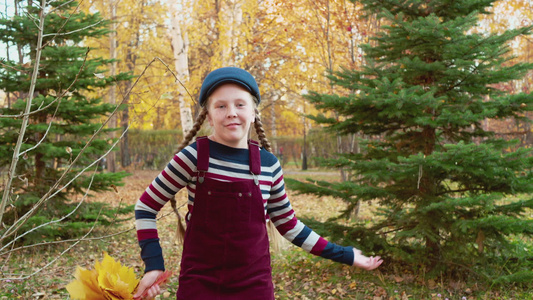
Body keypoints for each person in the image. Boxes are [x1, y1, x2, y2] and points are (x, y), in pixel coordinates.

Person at [133, 67, 383, 300]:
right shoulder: (193, 157)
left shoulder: (268, 165)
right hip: (200, 285)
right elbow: (145, 207)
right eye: (221, 106)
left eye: (240, 104)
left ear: (252, 113)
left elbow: (289, 225)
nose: (231, 112)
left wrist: (345, 254)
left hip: (254, 287)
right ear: (209, 116)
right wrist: (154, 264)